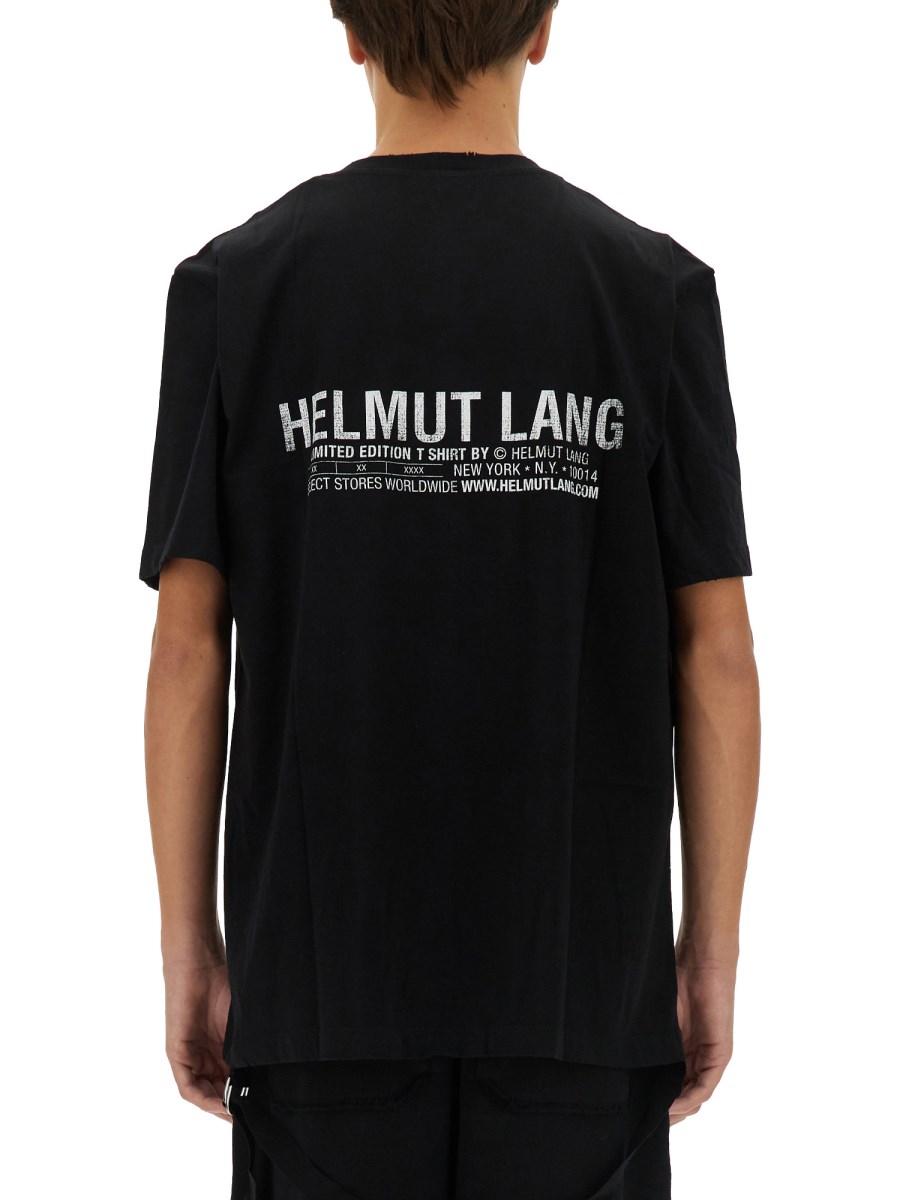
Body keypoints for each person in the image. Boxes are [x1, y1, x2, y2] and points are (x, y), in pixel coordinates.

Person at [140, 2, 761, 1197]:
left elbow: (186, 647)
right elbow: (716, 651)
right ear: (543, 28)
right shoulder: (652, 292)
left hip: (319, 992)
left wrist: (190, 948)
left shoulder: (235, 288)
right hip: (583, 995)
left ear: (349, 31)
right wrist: (708, 954)